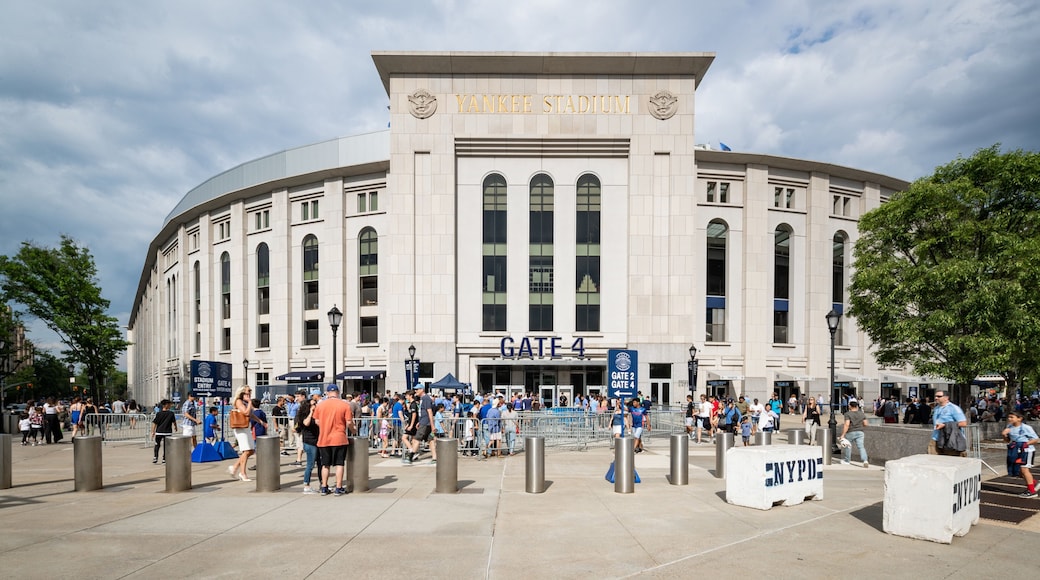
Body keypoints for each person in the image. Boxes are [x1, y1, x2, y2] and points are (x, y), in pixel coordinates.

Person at [310, 384, 353, 496]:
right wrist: (354, 430)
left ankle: (324, 486)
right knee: (339, 464)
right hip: (339, 438)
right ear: (338, 392)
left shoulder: (320, 405)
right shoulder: (345, 405)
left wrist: (325, 426)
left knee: (325, 464)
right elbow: (349, 422)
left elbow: (317, 421)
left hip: (324, 438)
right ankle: (338, 487)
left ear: (327, 393)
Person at [1002, 411, 1038, 498]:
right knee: (1018, 471)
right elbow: (1007, 440)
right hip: (1015, 451)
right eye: (1009, 417)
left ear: (1019, 418)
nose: (1009, 419)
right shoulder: (1009, 427)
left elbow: (1036, 439)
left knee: (1024, 470)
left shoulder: (1026, 428)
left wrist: (1025, 444)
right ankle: (1032, 482)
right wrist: (1004, 435)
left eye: (1012, 417)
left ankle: (1032, 491)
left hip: (1026, 451)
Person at [228, 385, 255, 481]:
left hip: (246, 427)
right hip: (240, 428)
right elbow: (246, 413)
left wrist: (260, 421)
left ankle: (235, 467)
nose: (250, 393)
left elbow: (250, 414)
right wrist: (250, 402)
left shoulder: (244, 402)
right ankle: (242, 473)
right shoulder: (239, 401)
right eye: (248, 391)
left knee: (251, 450)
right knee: (246, 450)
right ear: (243, 392)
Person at [930, 390, 968, 456]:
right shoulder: (936, 408)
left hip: (950, 439)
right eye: (935, 396)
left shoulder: (954, 408)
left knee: (951, 461)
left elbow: (963, 423)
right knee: (932, 460)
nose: (936, 398)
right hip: (936, 438)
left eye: (939, 396)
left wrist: (945, 425)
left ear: (946, 398)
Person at [296, 399, 320, 494]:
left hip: (317, 441)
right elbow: (306, 423)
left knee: (320, 464)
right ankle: (306, 485)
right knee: (310, 465)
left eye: (315, 404)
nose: (315, 405)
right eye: (313, 404)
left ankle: (322, 483)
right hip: (309, 442)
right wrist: (311, 412)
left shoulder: (316, 414)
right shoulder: (304, 416)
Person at [839, 400, 869, 467]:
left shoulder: (847, 414)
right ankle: (865, 460)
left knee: (848, 446)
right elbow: (866, 424)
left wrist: (843, 434)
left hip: (851, 432)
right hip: (860, 432)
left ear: (850, 406)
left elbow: (847, 424)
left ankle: (847, 460)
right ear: (857, 406)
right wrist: (860, 427)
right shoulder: (862, 413)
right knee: (861, 447)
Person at [150, 400, 177, 464]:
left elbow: (154, 423)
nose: (170, 406)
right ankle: (164, 458)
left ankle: (156, 457)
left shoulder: (159, 414)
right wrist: (175, 427)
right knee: (166, 446)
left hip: (159, 431)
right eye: (169, 404)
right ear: (166, 405)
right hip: (167, 432)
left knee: (157, 445)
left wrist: (153, 431)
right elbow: (174, 422)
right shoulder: (171, 413)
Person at [414, 386, 435, 463]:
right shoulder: (423, 399)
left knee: (416, 439)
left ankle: (411, 455)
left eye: (417, 389)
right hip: (424, 421)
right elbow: (424, 412)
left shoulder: (426, 398)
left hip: (425, 423)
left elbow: (429, 412)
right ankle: (434, 457)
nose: (416, 391)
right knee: (430, 440)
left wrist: (432, 425)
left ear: (422, 390)